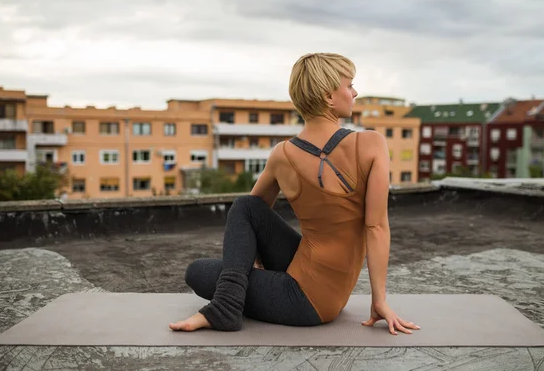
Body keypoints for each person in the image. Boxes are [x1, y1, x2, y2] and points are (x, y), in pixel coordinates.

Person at [169, 53, 420, 335]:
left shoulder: (283, 154)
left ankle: (226, 308)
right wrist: (379, 300)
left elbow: (248, 217)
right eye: (349, 86)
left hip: (304, 301)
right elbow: (375, 227)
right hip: (331, 288)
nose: (355, 92)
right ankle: (233, 299)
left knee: (199, 271)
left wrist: (247, 266)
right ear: (328, 96)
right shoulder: (372, 144)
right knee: (246, 207)